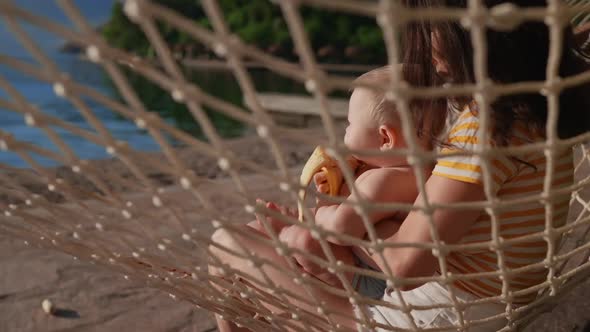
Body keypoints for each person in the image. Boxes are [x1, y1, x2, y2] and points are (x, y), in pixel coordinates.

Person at [208, 0, 590, 331]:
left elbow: (405, 268)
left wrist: (345, 213)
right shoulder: (533, 106)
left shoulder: (488, 126)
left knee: (228, 245)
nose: (421, 43)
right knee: (265, 236)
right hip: (477, 303)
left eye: (429, 28)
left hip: (439, 318)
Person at [252, 64, 447, 294]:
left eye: (350, 125)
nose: (345, 133)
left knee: (301, 240)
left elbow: (341, 228)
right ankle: (296, 220)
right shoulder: (420, 171)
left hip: (378, 285)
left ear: (385, 138)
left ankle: (291, 230)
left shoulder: (386, 180)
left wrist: (324, 202)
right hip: (378, 266)